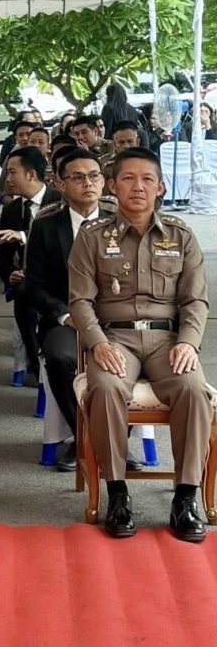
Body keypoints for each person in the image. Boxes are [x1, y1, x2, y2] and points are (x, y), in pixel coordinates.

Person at [69, 147, 211, 543]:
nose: (138, 187)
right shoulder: (92, 237)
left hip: (169, 340)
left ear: (161, 187)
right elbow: (79, 301)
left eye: (147, 179)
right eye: (128, 179)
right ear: (112, 186)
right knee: (106, 387)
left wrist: (189, 343)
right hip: (115, 338)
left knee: (193, 390)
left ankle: (186, 498)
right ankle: (117, 493)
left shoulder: (181, 236)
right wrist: (97, 344)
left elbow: (195, 301)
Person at [25, 148, 105, 471]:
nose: (88, 183)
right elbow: (34, 286)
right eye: (78, 177)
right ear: (60, 183)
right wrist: (65, 315)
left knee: (127, 357)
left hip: (114, 320)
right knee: (59, 357)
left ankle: (104, 440)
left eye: (94, 176)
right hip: (65, 319)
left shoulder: (120, 220)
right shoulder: (46, 225)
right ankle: (86, 435)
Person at [0, 147, 62, 378]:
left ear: (31, 174)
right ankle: (37, 367)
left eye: (12, 172)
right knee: (23, 298)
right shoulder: (12, 209)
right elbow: (2, 256)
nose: (8, 178)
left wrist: (23, 235)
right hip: (27, 283)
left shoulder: (60, 202)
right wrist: (10, 274)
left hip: (57, 280)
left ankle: (51, 368)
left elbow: (61, 243)